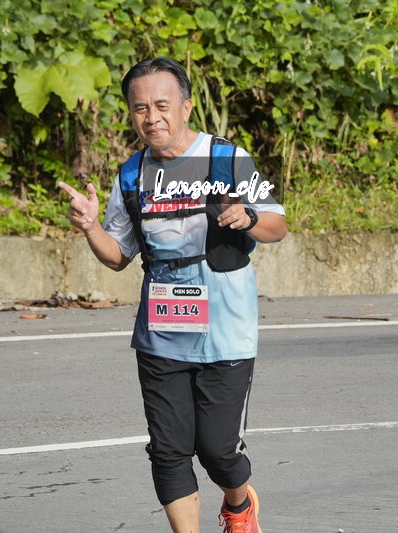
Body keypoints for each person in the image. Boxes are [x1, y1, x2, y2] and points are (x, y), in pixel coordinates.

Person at [59, 57, 286, 533]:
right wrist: (91, 227)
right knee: (167, 449)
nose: (152, 118)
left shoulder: (227, 159)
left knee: (218, 450)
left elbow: (277, 225)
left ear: (186, 106)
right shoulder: (132, 173)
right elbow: (118, 256)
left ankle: (240, 504)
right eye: (140, 108)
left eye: (162, 105)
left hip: (226, 328)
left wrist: (247, 218)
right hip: (162, 327)